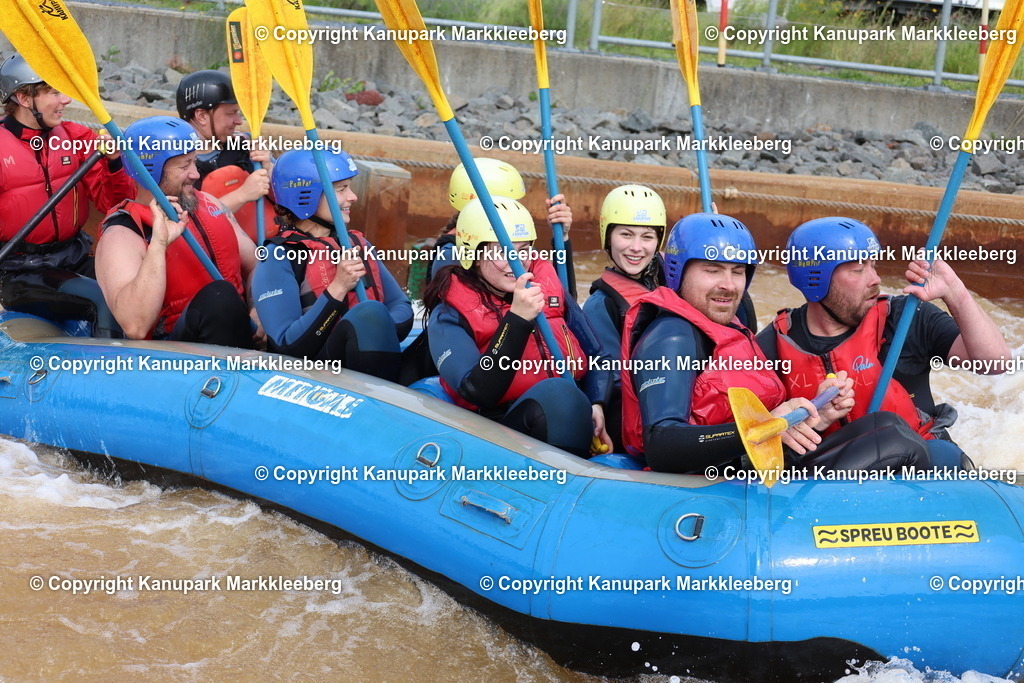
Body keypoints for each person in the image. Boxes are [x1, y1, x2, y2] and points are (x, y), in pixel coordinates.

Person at [620, 212, 933, 474]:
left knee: (887, 425)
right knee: (894, 442)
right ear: (678, 271)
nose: (728, 285)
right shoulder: (671, 338)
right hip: (716, 486)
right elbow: (662, 445)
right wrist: (766, 428)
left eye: (737, 272)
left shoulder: (728, 324)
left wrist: (814, 416)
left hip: (754, 467)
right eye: (712, 270)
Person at [757, 217, 1009, 466]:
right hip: (838, 478)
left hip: (920, 467)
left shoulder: (905, 317)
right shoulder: (772, 346)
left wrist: (954, 291)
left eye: (873, 265)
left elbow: (995, 363)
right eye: (858, 269)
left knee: (942, 454)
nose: (875, 279)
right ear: (815, 279)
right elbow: (753, 441)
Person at [424, 196, 612, 457]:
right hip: (496, 429)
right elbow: (478, 392)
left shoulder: (545, 285)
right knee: (560, 395)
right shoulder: (449, 313)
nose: (516, 261)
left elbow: (597, 356)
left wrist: (595, 402)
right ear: (474, 255)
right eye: (503, 251)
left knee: (573, 396)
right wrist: (518, 320)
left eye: (524, 249)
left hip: (563, 415)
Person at [95, 115, 258, 347]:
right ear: (149, 170)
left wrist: (258, 309)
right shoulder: (122, 234)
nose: (196, 174)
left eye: (194, 161)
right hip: (173, 353)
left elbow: (255, 265)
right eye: (184, 166)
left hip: (236, 334)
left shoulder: (208, 202)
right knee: (219, 297)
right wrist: (159, 245)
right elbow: (135, 326)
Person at [0, 54, 135, 335]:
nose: (66, 100)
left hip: (74, 254)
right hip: (19, 271)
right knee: (103, 300)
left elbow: (114, 204)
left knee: (134, 289)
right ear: (24, 98)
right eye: (53, 91)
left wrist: (114, 163)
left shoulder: (77, 138)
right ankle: (107, 372)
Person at [252, 149, 412, 381]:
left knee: (377, 317)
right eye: (341, 189)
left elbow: (401, 306)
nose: (353, 197)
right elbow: (287, 345)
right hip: (314, 375)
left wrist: (376, 330)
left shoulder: (356, 243)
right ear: (305, 195)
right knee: (370, 313)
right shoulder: (276, 256)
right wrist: (338, 287)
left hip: (368, 362)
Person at [582, 184, 667, 450]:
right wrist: (597, 403)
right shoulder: (601, 305)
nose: (636, 248)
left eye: (647, 237)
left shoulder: (673, 277)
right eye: (626, 235)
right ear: (608, 237)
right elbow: (605, 368)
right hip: (641, 408)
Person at [423, 157, 574, 294]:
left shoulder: (517, 247)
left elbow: (563, 301)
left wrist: (562, 237)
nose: (515, 210)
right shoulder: (452, 254)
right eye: (509, 204)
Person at [176, 70, 275, 241]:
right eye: (231, 113)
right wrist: (242, 195)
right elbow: (190, 223)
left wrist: (270, 169)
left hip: (266, 249)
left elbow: (291, 201)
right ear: (201, 116)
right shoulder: (175, 162)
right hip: (214, 260)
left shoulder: (246, 146)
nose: (239, 121)